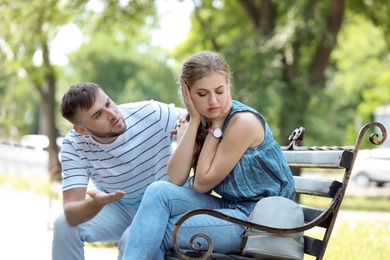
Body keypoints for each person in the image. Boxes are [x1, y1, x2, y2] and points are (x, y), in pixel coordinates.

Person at [122, 50, 296, 260]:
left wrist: (217, 127)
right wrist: (194, 121)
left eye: (220, 91)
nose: (213, 101)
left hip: (256, 221)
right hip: (229, 208)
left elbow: (201, 184)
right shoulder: (201, 120)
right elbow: (175, 179)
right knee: (157, 191)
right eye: (202, 94)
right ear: (187, 93)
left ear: (228, 86)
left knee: (151, 232)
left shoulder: (243, 123)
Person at [52, 82, 184, 259]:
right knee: (64, 225)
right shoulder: (74, 144)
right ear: (82, 129)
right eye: (98, 114)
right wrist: (96, 203)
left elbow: (200, 120)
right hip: (120, 206)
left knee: (130, 239)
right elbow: (71, 212)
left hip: (164, 208)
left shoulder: (152, 113)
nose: (112, 114)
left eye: (108, 103)